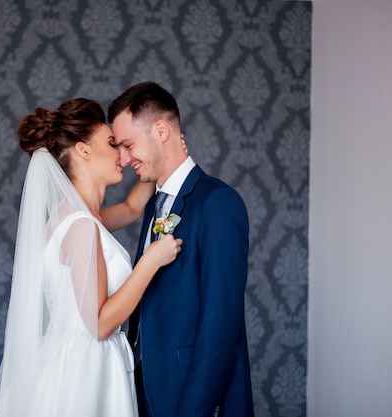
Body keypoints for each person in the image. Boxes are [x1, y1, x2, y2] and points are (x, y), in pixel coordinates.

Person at [0, 98, 183, 417]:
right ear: (83, 150)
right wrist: (150, 261)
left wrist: (159, 159)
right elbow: (100, 324)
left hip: (73, 357)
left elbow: (133, 208)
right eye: (111, 143)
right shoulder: (82, 228)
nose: (122, 153)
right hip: (86, 368)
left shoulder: (84, 219)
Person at [108, 81, 254, 417]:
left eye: (128, 145)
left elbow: (221, 323)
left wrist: (194, 409)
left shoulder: (218, 202)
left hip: (191, 396)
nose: (123, 158)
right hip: (143, 392)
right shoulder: (151, 206)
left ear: (161, 131)